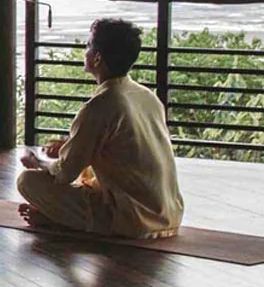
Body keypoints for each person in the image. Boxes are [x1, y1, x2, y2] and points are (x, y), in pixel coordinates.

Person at [18, 17, 183, 238]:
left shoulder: (101, 105)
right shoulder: (146, 95)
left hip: (133, 219)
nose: (84, 49)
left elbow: (65, 174)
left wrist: (37, 162)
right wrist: (69, 146)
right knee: (83, 179)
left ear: (97, 58)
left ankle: (59, 220)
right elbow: (124, 150)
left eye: (88, 45)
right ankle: (61, 218)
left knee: (28, 181)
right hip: (168, 214)